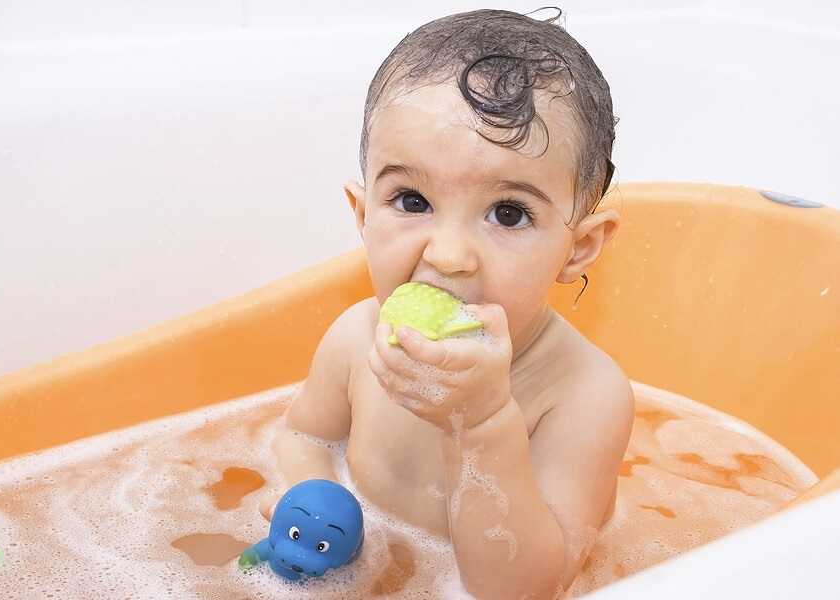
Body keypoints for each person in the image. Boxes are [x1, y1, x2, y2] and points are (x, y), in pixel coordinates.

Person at [266, 8, 634, 599]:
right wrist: (314, 504)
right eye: (411, 199)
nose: (448, 254)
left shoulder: (584, 395)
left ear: (577, 249)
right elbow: (300, 439)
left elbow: (528, 588)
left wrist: (483, 424)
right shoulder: (355, 336)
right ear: (363, 216)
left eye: (509, 213)